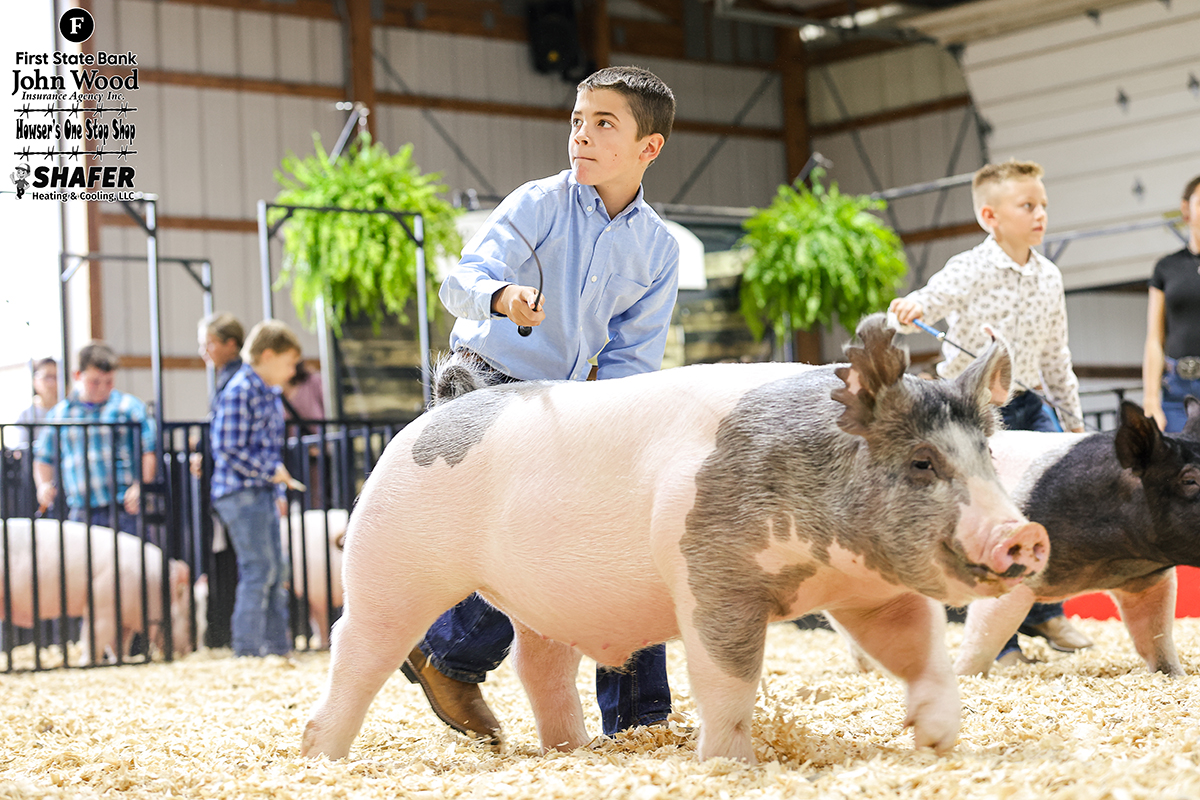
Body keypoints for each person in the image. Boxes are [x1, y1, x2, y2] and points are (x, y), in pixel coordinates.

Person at [403, 65, 680, 745]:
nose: (580, 135)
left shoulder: (659, 249)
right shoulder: (538, 204)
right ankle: (449, 656)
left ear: (651, 147)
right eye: (577, 121)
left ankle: (639, 724)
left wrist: (622, 433)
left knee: (624, 532)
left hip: (564, 402)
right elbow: (458, 281)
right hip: (482, 386)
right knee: (544, 539)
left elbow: (631, 359)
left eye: (603, 124)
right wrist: (501, 298)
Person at [889, 159, 1093, 665]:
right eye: (1028, 205)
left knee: (1052, 504)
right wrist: (911, 307)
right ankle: (1000, 642)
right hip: (972, 413)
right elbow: (933, 298)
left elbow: (1055, 356)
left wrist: (1071, 416)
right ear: (990, 216)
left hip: (1030, 405)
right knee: (991, 520)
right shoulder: (971, 267)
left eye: (1043, 204)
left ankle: (1047, 612)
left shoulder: (1050, 277)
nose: (1040, 213)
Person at [209, 319, 302, 658]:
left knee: (276, 570)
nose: (293, 370)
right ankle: (248, 652)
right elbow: (228, 448)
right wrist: (269, 472)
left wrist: (276, 489)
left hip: (259, 490)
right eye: (289, 361)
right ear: (267, 355)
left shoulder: (267, 393)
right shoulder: (240, 390)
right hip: (239, 492)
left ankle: (277, 648)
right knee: (259, 569)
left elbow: (266, 451)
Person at [33, 342, 156, 535]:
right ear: (77, 376)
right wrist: (43, 485)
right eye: (95, 382)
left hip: (124, 507)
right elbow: (43, 457)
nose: (102, 388)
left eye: (109, 381)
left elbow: (149, 450)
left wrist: (140, 486)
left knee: (129, 562)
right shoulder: (61, 414)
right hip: (80, 509)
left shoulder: (129, 408)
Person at [193, 312, 246, 649]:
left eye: (209, 343)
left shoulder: (236, 380)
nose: (204, 351)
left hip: (235, 486)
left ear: (230, 344)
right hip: (229, 486)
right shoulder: (228, 379)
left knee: (245, 562)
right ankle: (225, 634)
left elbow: (226, 437)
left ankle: (235, 637)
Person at [1142, 174, 1200, 434]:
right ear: (1186, 209)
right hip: (1177, 389)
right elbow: (1154, 338)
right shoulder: (1166, 267)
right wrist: (1150, 399)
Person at [13, 357, 58, 449]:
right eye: (47, 377)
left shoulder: (67, 412)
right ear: (35, 381)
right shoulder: (26, 415)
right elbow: (22, 449)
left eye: (55, 377)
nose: (51, 383)